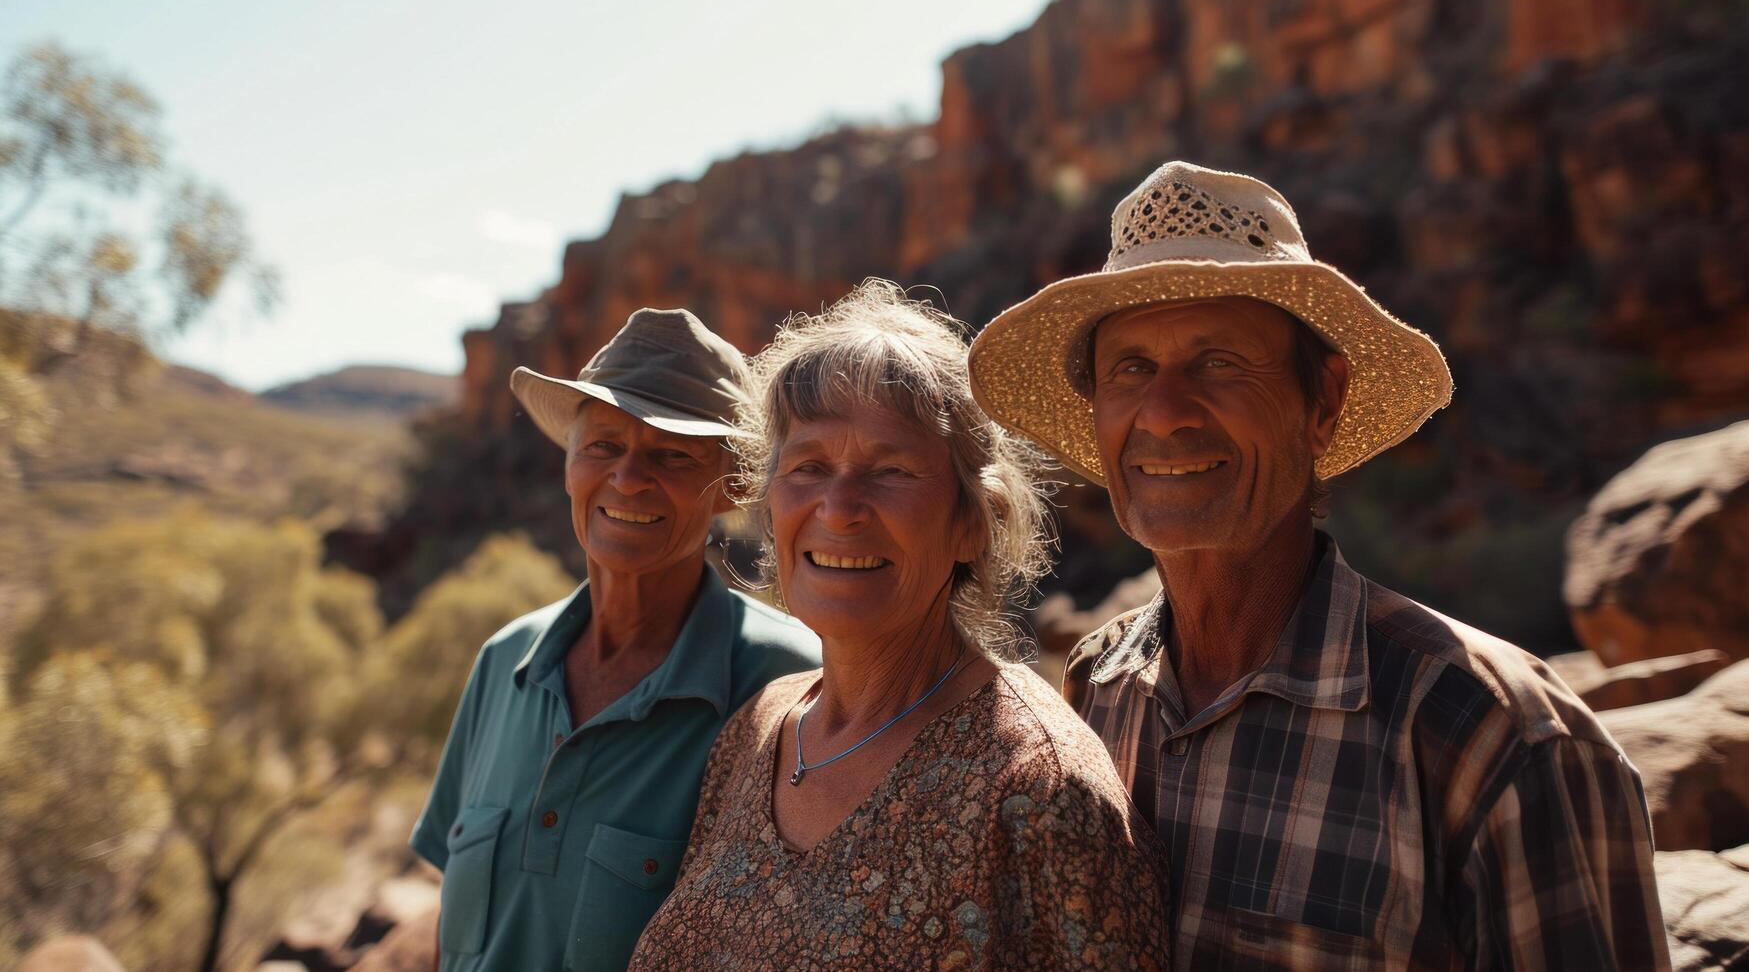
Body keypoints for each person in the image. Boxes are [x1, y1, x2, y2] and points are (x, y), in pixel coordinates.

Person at [967, 161, 1669, 969]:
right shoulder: (1098, 688)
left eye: (1219, 362)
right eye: (1129, 369)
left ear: (1323, 403)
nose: (1162, 414)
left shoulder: (1490, 731)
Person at [629, 280, 1170, 969]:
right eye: (809, 466)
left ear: (975, 521)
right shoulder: (759, 729)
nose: (838, 507)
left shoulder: (1041, 792)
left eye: (890, 470)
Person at [410, 308, 821, 972]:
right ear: (569, 461)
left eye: (671, 454)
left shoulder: (789, 683)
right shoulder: (503, 661)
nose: (628, 479)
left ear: (733, 486)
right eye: (602, 445)